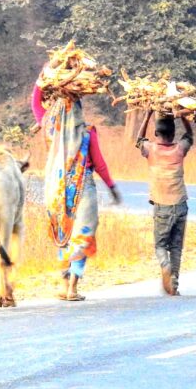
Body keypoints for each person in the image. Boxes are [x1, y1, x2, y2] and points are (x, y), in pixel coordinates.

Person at [32, 84, 121, 301]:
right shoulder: (87, 133)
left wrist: (44, 77)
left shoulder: (50, 128)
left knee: (64, 234)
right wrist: (111, 187)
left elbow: (35, 101)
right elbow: (99, 164)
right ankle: (72, 285)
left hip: (57, 190)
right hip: (84, 188)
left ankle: (64, 284)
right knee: (82, 235)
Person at [136, 112, 194, 295]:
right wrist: (184, 116)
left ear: (156, 133)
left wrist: (146, 115)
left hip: (162, 206)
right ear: (173, 133)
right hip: (180, 204)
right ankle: (174, 282)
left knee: (161, 245)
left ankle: (165, 266)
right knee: (176, 247)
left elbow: (138, 139)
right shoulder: (179, 149)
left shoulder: (151, 149)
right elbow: (190, 136)